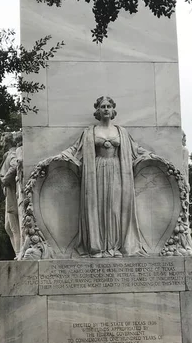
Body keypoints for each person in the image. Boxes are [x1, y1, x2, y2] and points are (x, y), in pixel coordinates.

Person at [57, 96, 151, 257]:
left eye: (108, 106)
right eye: (103, 106)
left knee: (115, 208)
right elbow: (75, 149)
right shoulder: (90, 132)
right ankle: (99, 247)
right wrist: (62, 155)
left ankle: (115, 246)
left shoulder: (121, 131)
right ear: (98, 110)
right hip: (97, 171)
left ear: (113, 110)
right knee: (98, 207)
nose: (106, 109)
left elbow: (135, 149)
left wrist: (148, 155)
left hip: (117, 170)